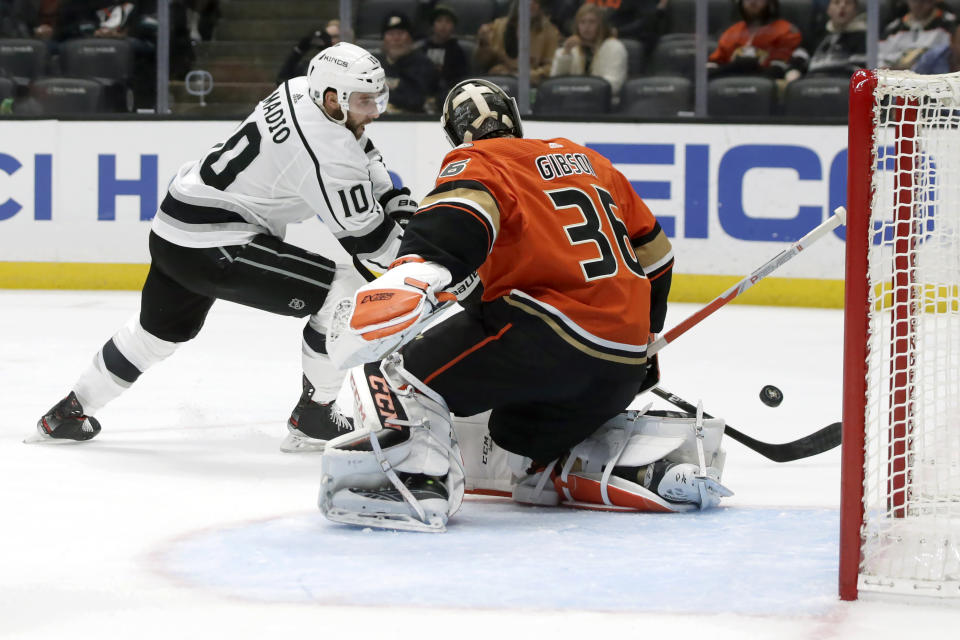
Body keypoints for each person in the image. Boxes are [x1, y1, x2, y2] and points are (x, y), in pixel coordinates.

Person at [317, 78, 699, 533]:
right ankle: (585, 462)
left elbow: (457, 220)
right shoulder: (587, 158)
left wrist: (416, 266)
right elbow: (658, 256)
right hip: (624, 364)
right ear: (515, 118)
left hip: (548, 337)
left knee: (396, 376)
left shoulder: (478, 158)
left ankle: (413, 483)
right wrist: (645, 338)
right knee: (512, 436)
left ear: (457, 134)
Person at [33, 42, 417, 453]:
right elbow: (373, 247)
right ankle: (314, 413)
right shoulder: (329, 154)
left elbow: (361, 146)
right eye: (364, 101)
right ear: (332, 98)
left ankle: (68, 411)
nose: (374, 111)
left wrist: (392, 194)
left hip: (174, 225)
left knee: (155, 334)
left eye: (379, 98)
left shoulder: (299, 87)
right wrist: (421, 239)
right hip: (215, 242)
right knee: (340, 292)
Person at [708, 0, 808, 80]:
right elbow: (715, 62)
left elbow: (779, 68)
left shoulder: (786, 30)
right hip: (728, 86)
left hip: (765, 88)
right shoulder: (731, 32)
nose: (752, 2)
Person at [474, 0, 560, 86]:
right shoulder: (499, 26)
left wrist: (519, 75)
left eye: (536, 2)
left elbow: (550, 67)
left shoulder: (550, 32)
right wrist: (483, 45)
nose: (531, 4)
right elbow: (482, 62)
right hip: (500, 82)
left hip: (530, 84)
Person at [549, 3, 628, 97]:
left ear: (601, 25)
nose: (586, 27)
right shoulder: (570, 49)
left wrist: (583, 91)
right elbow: (554, 83)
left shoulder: (615, 48)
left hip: (603, 103)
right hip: (573, 101)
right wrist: (566, 53)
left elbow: (614, 84)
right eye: (582, 22)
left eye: (592, 22)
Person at [376, 12, 438, 113]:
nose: (396, 39)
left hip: (412, 122)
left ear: (410, 38)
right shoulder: (374, 65)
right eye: (391, 34)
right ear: (383, 41)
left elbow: (415, 100)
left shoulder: (423, 65)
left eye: (400, 33)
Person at [878, 0, 957, 70]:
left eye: (924, 1)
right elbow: (880, 61)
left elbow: (948, 58)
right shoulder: (893, 29)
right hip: (895, 81)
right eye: (915, 1)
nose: (919, 4)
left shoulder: (949, 25)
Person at [805, 0, 866, 78]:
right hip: (812, 82)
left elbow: (860, 68)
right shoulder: (819, 34)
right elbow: (805, 58)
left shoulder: (863, 37)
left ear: (856, 10)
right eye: (836, 2)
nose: (842, 6)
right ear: (828, 9)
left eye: (848, 3)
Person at [419, 4, 468, 100]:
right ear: (432, 26)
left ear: (453, 26)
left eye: (448, 21)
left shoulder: (457, 51)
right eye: (439, 21)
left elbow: (461, 77)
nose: (443, 25)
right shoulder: (423, 49)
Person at [276, 18, 340, 84]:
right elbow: (282, 80)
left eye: (335, 36)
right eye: (327, 37)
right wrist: (299, 50)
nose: (331, 41)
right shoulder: (314, 65)